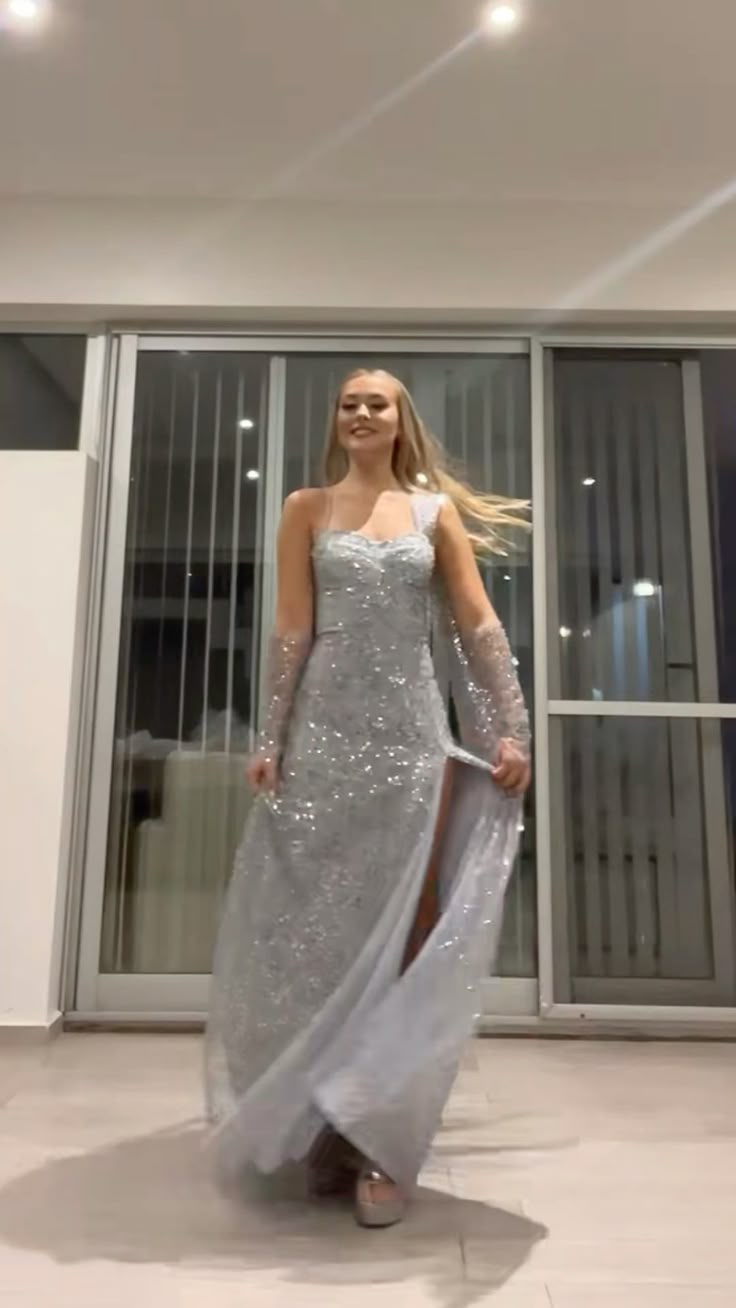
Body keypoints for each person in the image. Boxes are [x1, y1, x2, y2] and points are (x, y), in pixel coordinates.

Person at [206, 368, 531, 1229]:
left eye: (374, 403)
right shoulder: (305, 509)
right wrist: (271, 738)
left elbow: (477, 623)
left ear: (398, 420)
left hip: (409, 745)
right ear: (337, 421)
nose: (359, 412)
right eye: (348, 403)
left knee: (403, 940)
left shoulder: (433, 515)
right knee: (317, 940)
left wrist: (511, 728)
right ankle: (325, 1124)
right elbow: (291, 629)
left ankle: (381, 1138)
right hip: (323, 745)